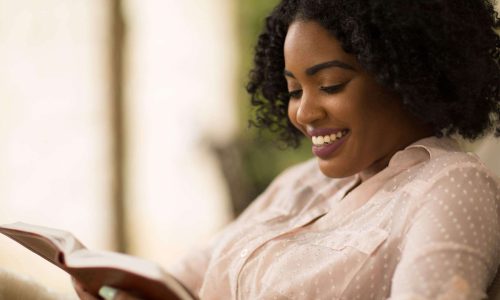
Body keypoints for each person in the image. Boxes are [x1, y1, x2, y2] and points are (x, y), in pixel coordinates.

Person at [75, 0, 500, 299]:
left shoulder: (449, 186)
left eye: (330, 85)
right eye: (295, 90)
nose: (304, 113)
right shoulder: (298, 185)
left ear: (408, 76)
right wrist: (118, 289)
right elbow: (182, 281)